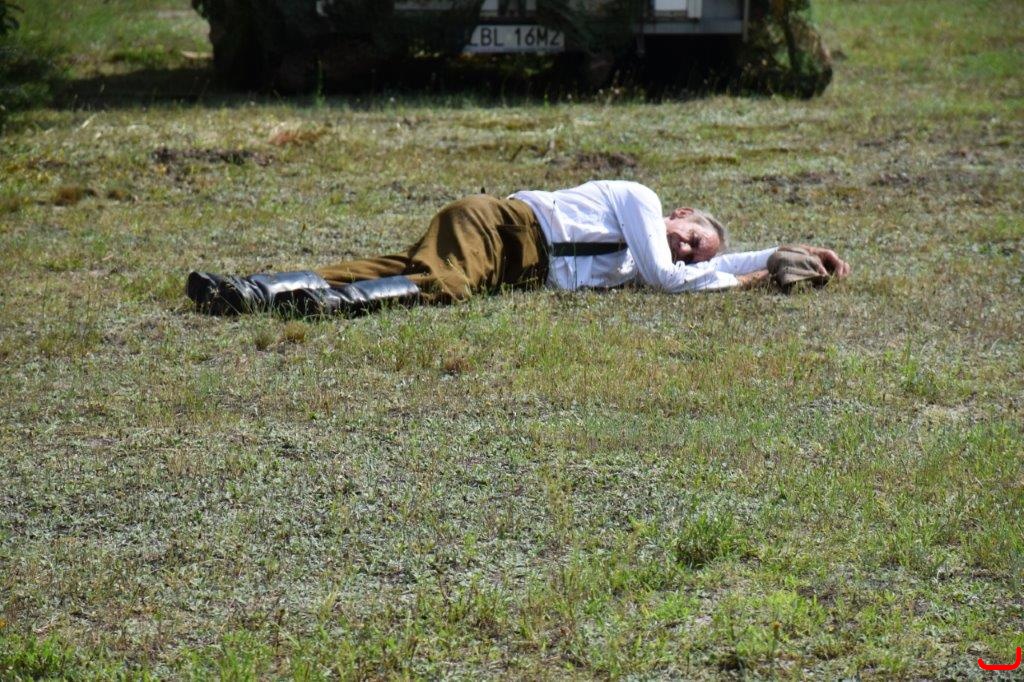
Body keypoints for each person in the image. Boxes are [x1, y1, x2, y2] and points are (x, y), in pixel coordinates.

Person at [186, 180, 850, 316]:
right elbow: (671, 278)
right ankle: (331, 307)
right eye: (691, 238)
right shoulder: (642, 201)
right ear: (681, 213)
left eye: (691, 252)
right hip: (505, 229)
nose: (684, 252)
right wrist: (751, 281)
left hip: (515, 259)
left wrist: (783, 253)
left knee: (401, 269)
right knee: (447, 285)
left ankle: (252, 291)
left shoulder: (647, 256)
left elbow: (705, 268)